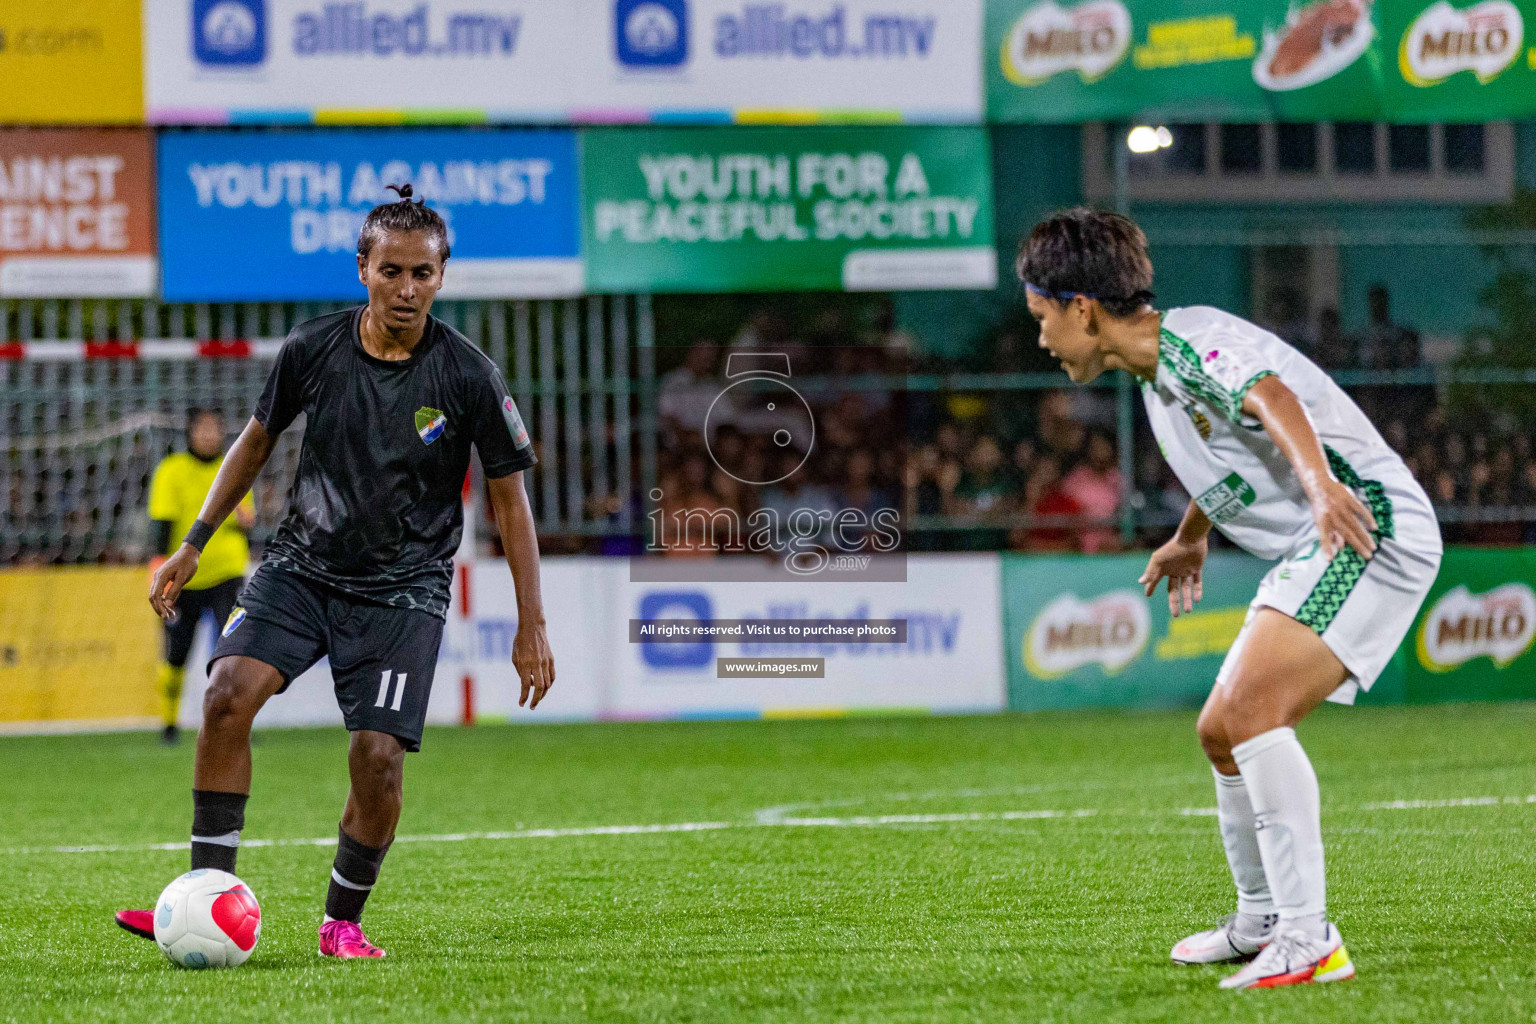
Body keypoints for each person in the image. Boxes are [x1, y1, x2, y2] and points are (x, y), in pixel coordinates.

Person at [114, 184, 554, 960]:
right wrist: (193, 542)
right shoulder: (312, 348)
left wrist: (532, 624)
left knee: (378, 759)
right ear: (363, 268)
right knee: (224, 695)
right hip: (302, 567)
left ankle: (341, 923)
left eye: (423, 273)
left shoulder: (469, 376)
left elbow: (511, 501)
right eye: (392, 271)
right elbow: (252, 442)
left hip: (404, 591)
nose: (408, 289)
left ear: (442, 277)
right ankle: (205, 897)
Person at [1017, 208, 1441, 990]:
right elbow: (1238, 450)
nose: (1041, 338)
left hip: (1363, 524)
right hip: (1318, 536)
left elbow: (1272, 396)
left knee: (1252, 716)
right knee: (1221, 732)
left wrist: (1320, 489)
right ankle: (1262, 920)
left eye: (1043, 317)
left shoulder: (1192, 342)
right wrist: (1192, 533)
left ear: (1082, 308)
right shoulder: (1157, 377)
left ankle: (1310, 940)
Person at [146, 409, 255, 745]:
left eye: (215, 428)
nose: (210, 434)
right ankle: (169, 724)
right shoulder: (171, 470)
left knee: (234, 649)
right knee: (176, 653)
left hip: (227, 572)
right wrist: (159, 573)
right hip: (185, 577)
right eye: (203, 428)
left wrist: (248, 526)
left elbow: (247, 522)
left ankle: (236, 724)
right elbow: (161, 527)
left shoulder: (235, 463)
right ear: (190, 432)